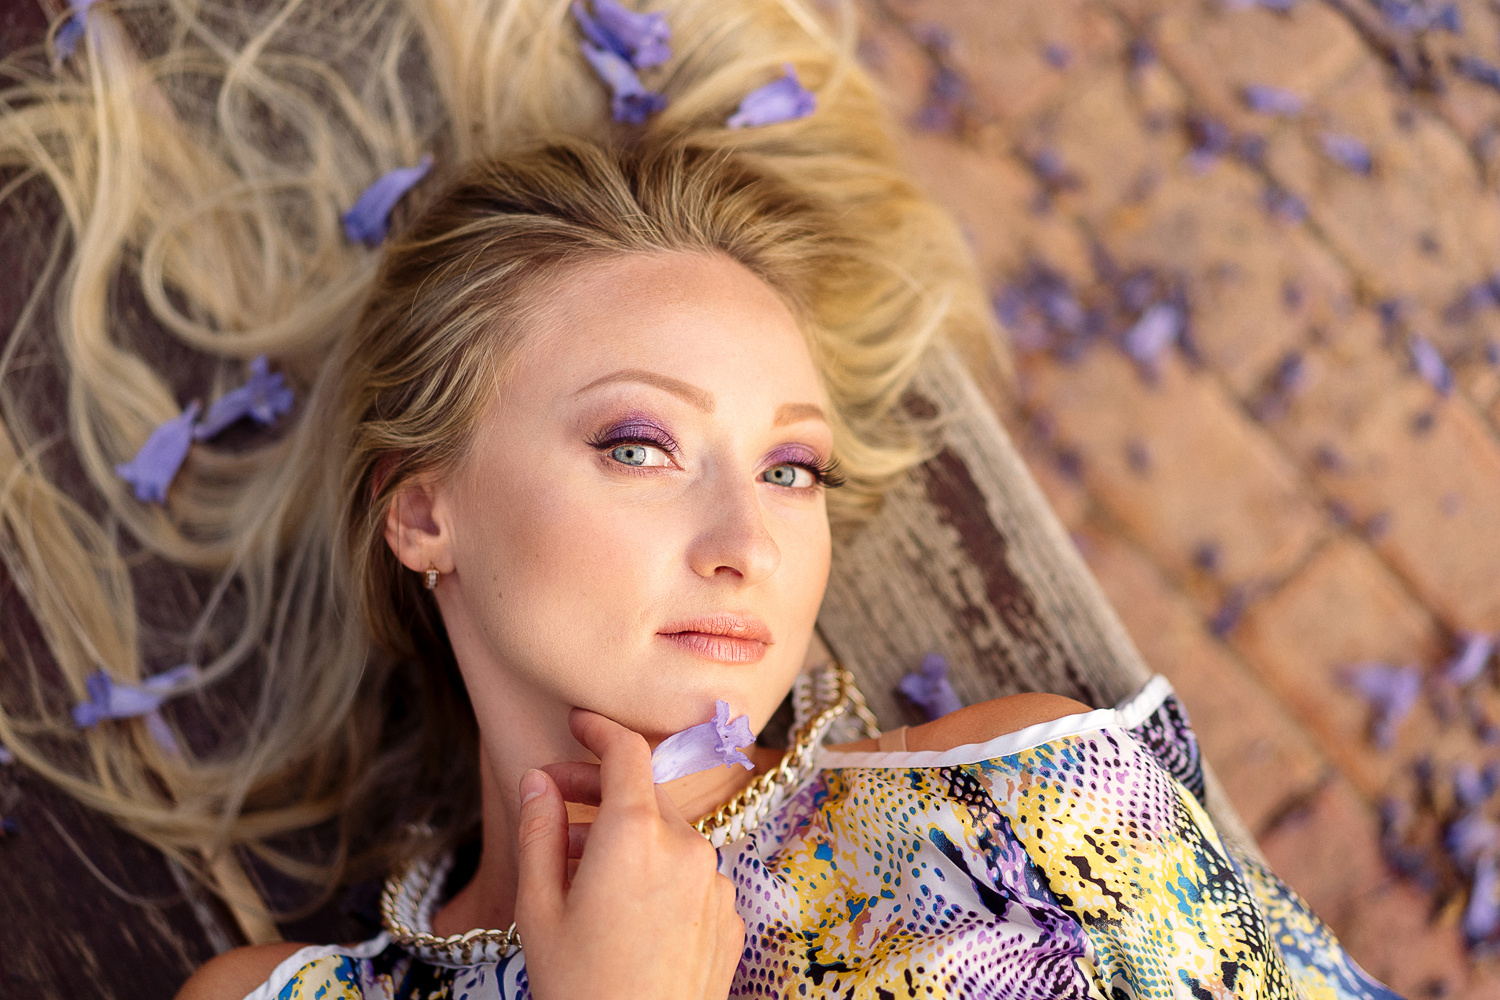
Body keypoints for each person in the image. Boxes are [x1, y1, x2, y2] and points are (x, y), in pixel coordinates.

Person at [0, 0, 1401, 997]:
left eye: (791, 470)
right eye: (638, 445)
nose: (748, 546)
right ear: (423, 512)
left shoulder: (1025, 808)